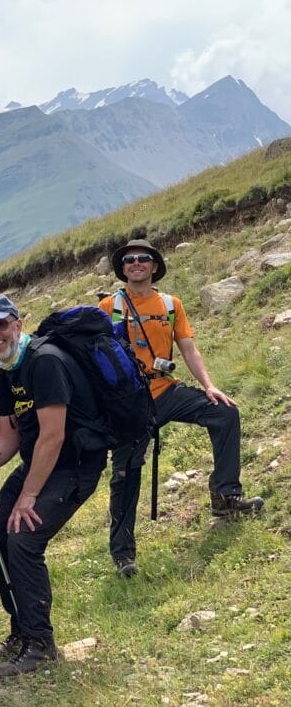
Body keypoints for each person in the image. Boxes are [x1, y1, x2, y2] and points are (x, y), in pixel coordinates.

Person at [0, 296, 108, 679]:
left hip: (74, 465)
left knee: (24, 539)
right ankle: (21, 631)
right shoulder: (5, 368)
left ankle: (40, 645)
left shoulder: (45, 362)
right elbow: (10, 435)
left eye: (0, 325)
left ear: (17, 324)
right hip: (40, 464)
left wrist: (28, 495)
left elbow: (53, 437)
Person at [99, 239, 264, 578]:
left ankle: (226, 497)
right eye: (129, 260)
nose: (136, 264)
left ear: (155, 266)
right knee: (126, 474)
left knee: (224, 412)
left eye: (143, 258)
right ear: (123, 268)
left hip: (166, 391)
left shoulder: (171, 304)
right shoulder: (107, 306)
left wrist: (209, 386)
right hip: (129, 402)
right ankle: (123, 555)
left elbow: (188, 348)